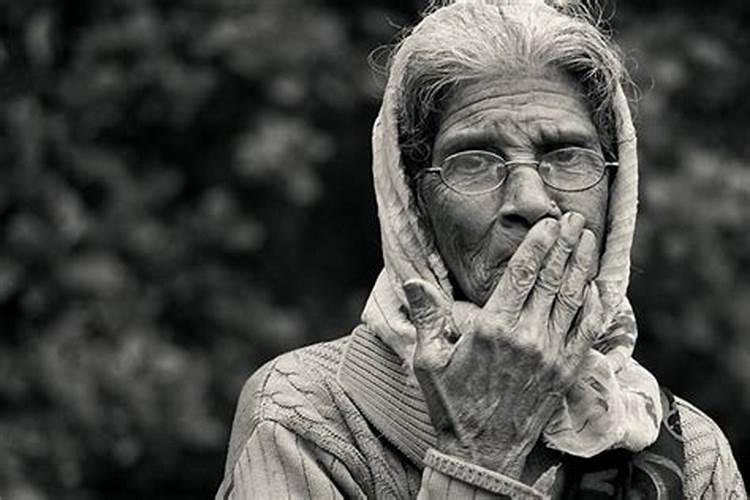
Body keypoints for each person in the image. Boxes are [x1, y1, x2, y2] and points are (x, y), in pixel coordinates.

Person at [215, 0, 746, 498]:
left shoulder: (689, 454)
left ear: (616, 189)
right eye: (474, 160)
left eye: (566, 155)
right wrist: (481, 452)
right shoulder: (306, 416)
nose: (531, 202)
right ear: (415, 204)